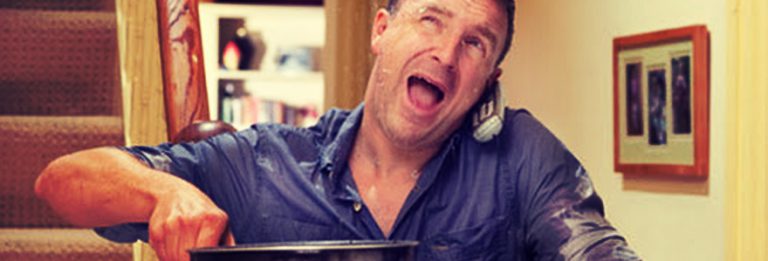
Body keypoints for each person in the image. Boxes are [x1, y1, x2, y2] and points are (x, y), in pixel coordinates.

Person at [35, 0, 639, 260]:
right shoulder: (261, 166)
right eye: (431, 19)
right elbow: (61, 182)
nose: (448, 53)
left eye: (475, 43)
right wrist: (165, 192)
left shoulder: (523, 159)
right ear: (382, 30)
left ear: (490, 78)